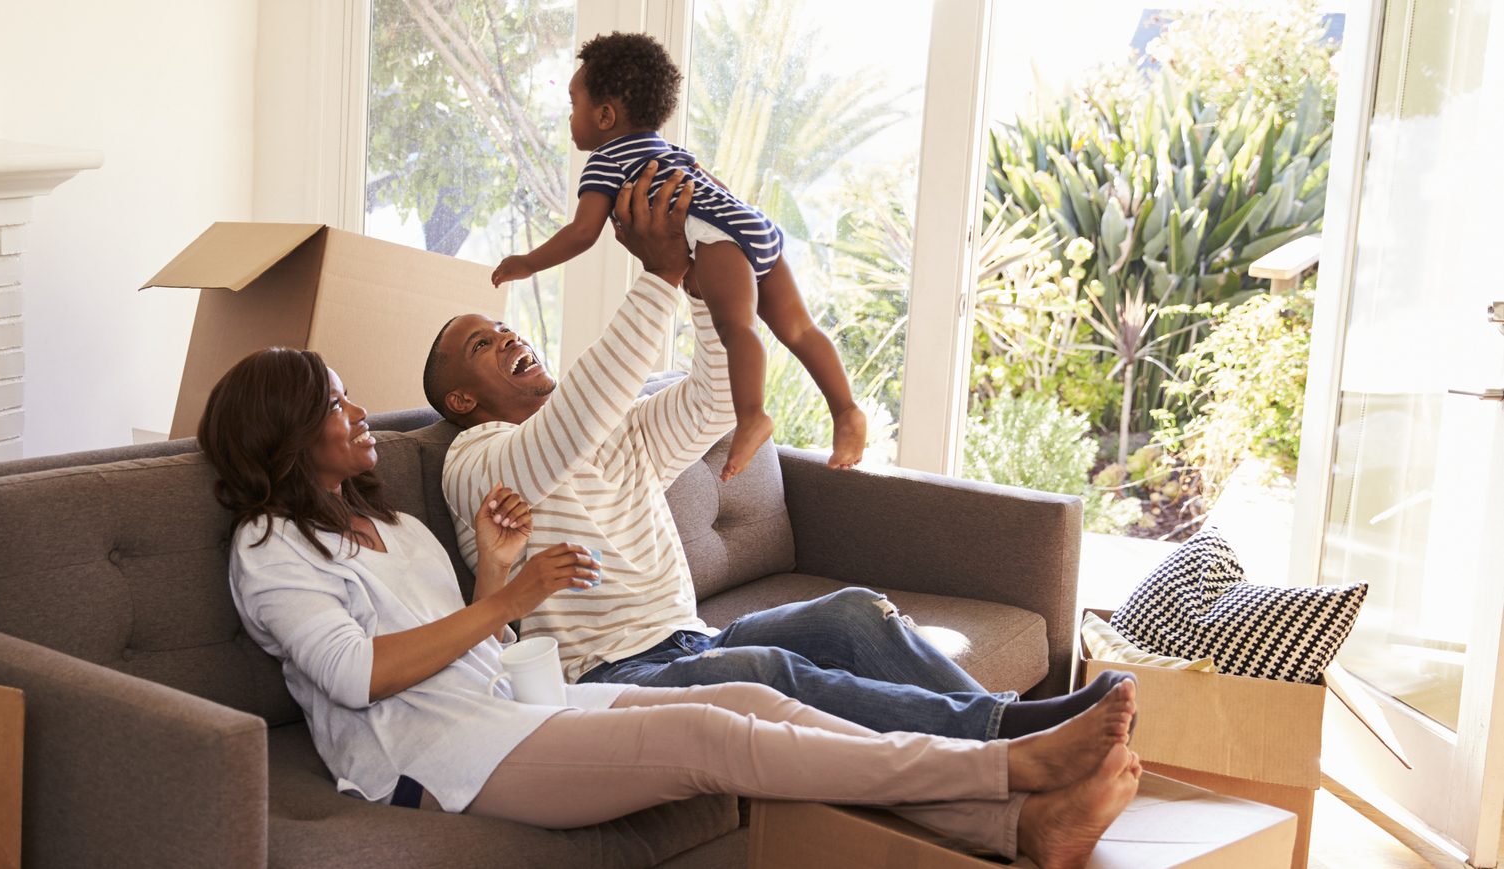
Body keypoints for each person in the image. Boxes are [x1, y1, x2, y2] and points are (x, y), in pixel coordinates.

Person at [197, 344, 1142, 868]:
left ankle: (1018, 827)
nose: (357, 413)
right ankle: (1004, 764)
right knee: (709, 736)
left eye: (351, 395)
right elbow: (359, 676)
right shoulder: (270, 548)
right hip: (432, 757)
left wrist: (496, 575)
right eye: (335, 404)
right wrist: (511, 595)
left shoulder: (392, 525)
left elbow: (475, 645)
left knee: (753, 700)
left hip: (504, 710)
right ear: (284, 431)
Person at [431, 150, 1123, 743]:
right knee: (769, 673)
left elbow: (715, 399)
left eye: (506, 327)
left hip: (691, 637)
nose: (509, 337)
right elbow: (565, 431)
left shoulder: (616, 428)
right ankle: (1012, 734)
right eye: (482, 344)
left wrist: (699, 282)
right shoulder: (474, 462)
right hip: (609, 676)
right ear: (461, 398)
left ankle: (1017, 731)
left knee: (854, 611)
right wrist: (657, 275)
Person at [491, 31, 863, 479]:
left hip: (716, 237)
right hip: (751, 222)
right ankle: (846, 411)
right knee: (800, 329)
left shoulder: (606, 162)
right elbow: (715, 187)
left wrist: (527, 263)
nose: (569, 117)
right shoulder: (669, 151)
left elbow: (583, 232)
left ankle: (752, 416)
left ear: (605, 115)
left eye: (574, 104)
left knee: (737, 327)